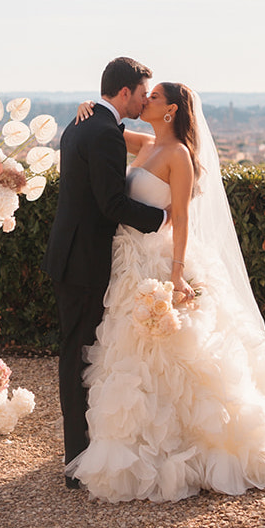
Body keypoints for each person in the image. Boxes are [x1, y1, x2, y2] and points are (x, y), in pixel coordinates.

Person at [67, 82, 265, 502]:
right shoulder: (146, 143)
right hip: (130, 264)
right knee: (131, 355)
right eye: (142, 95)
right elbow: (104, 128)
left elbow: (181, 218)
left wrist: (177, 274)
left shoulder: (179, 156)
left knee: (179, 355)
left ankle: (185, 441)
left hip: (160, 263)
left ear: (169, 111)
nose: (144, 100)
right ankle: (138, 439)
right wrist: (88, 108)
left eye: (153, 98)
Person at [43, 57, 166, 489]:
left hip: (72, 255)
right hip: (83, 261)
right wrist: (163, 218)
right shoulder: (102, 132)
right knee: (77, 353)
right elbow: (112, 204)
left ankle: (83, 447)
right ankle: (76, 457)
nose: (144, 101)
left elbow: (134, 143)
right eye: (141, 93)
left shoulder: (86, 123)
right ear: (125, 91)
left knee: (81, 351)